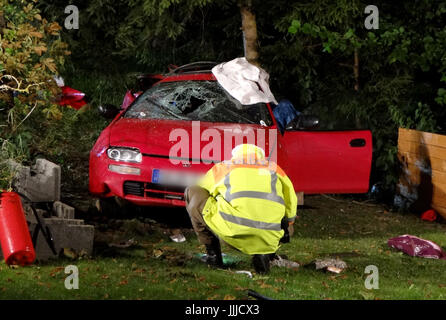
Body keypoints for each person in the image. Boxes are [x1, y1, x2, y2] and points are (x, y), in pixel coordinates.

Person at [184, 144, 297, 273]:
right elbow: (291, 201)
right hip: (271, 236)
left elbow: (202, 188)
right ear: (260, 156)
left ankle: (213, 256)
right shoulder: (274, 169)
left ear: (235, 156)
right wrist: (288, 224)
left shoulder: (225, 167)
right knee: (280, 217)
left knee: (192, 191)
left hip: (234, 233)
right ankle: (264, 254)